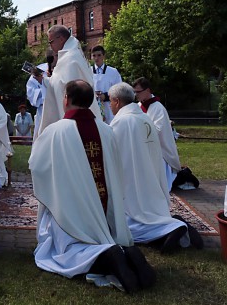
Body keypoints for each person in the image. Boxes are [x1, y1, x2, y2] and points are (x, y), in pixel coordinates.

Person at [29, 79, 156, 293]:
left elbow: (36, 166)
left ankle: (104, 258)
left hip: (72, 212)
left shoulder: (55, 131)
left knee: (63, 250)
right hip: (104, 213)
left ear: (66, 99)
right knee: (103, 236)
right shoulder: (106, 130)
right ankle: (124, 251)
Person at [109, 83, 202, 252]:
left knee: (124, 225)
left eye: (110, 101)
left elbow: (112, 153)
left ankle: (171, 228)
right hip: (150, 180)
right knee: (151, 213)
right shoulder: (144, 118)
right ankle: (173, 225)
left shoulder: (121, 122)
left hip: (132, 183)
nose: (109, 105)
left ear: (116, 101)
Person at [39, 27, 101, 134]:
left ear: (61, 38)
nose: (50, 45)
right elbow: (61, 82)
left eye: (51, 42)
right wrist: (45, 80)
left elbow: (69, 88)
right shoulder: (72, 54)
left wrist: (47, 81)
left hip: (75, 122)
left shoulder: (71, 58)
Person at [132, 77, 183, 193]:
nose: (136, 95)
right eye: (134, 92)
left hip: (160, 151)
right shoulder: (138, 106)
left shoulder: (158, 108)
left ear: (148, 90)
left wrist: (139, 129)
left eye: (138, 92)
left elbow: (157, 130)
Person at [91, 45, 122, 123]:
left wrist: (105, 96)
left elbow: (119, 90)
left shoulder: (113, 72)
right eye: (94, 56)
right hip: (93, 107)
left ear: (103, 56)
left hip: (109, 108)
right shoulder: (88, 71)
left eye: (99, 55)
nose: (96, 58)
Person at [26, 67, 46, 141]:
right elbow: (30, 93)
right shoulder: (41, 68)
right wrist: (45, 89)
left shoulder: (64, 66)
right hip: (43, 109)